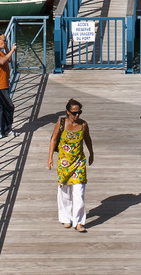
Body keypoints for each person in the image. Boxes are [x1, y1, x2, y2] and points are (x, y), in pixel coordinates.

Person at [48, 99, 94, 232]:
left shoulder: (83, 125)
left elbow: (88, 139)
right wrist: (50, 157)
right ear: (68, 112)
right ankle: (66, 218)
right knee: (64, 192)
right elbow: (54, 139)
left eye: (79, 112)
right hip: (64, 162)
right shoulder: (61, 123)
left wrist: (91, 153)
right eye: (74, 113)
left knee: (79, 192)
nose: (77, 115)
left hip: (79, 162)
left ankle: (79, 222)